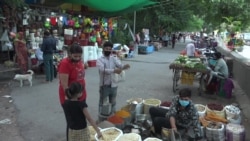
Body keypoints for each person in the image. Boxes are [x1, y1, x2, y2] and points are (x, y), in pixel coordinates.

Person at [58, 43, 88, 141]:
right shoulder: (65, 64)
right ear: (69, 54)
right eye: (75, 56)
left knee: (80, 121)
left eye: (79, 56)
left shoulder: (79, 61)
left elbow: (80, 75)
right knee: (72, 123)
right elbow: (64, 85)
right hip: (70, 98)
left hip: (81, 96)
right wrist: (70, 101)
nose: (78, 58)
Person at [97, 41, 130, 116]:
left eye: (109, 49)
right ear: (103, 49)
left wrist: (124, 66)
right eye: (106, 48)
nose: (108, 50)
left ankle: (112, 116)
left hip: (114, 85)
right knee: (103, 102)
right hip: (104, 85)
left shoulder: (114, 58)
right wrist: (114, 70)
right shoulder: (100, 59)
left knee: (113, 102)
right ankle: (101, 116)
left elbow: (120, 65)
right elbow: (103, 70)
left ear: (111, 50)